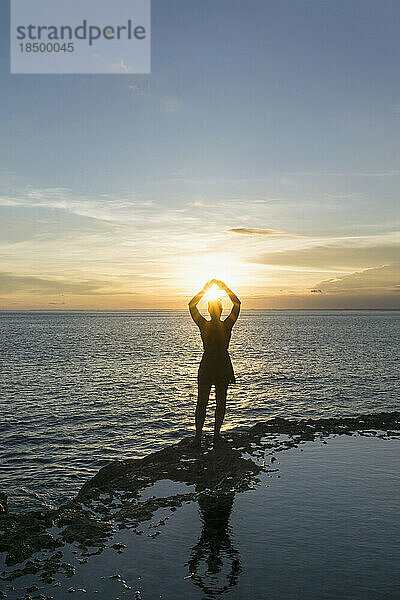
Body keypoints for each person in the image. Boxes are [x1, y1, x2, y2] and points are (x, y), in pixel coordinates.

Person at [188, 279, 241, 447]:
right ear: (219, 311)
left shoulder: (206, 324)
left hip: (213, 364)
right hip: (219, 364)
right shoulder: (226, 325)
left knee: (205, 401)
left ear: (210, 311)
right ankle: (212, 436)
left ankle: (202, 437)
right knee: (217, 401)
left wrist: (205, 290)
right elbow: (237, 304)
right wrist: (224, 288)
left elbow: (191, 306)